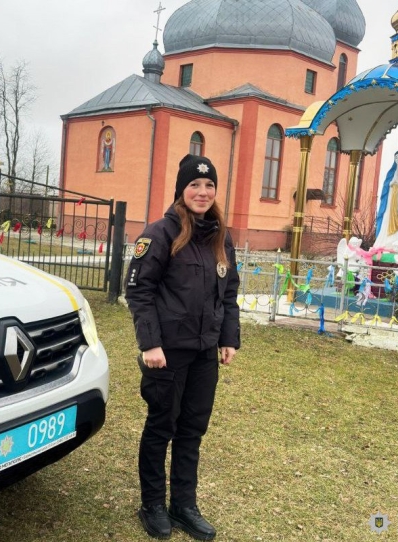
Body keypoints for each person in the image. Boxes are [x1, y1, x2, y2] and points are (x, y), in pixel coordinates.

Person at [125, 154, 240, 540]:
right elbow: (139, 290)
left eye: (209, 186)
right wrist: (150, 344)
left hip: (205, 352)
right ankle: (153, 504)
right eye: (195, 185)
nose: (203, 192)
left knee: (192, 429)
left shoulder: (221, 237)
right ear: (181, 190)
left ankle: (183, 505)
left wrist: (228, 338)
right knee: (162, 426)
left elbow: (229, 292)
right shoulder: (160, 233)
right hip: (167, 354)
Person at [373, 150, 398, 251]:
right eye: (396, 157)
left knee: (397, 215)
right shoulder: (391, 171)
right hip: (390, 199)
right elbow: (386, 186)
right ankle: (383, 241)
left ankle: (395, 239)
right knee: (386, 216)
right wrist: (392, 182)